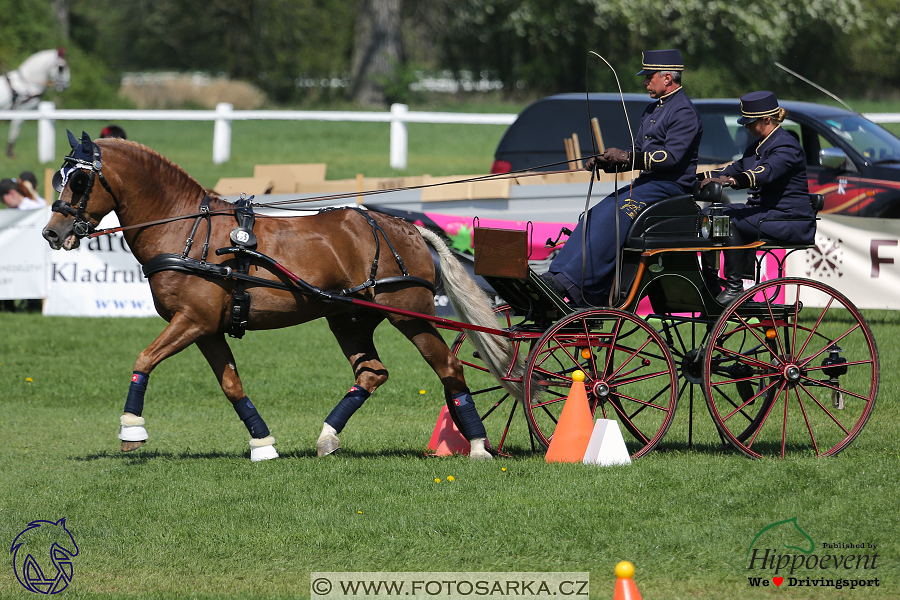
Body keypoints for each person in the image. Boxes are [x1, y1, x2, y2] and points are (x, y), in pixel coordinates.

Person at [542, 49, 702, 306]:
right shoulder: (652, 110)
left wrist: (626, 158)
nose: (645, 82)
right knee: (594, 214)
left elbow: (670, 157)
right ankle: (555, 275)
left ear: (668, 78)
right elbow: (638, 153)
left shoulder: (684, 112)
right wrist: (608, 162)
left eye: (649, 76)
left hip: (671, 189)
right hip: (647, 186)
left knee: (614, 217)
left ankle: (571, 283)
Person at [698, 91, 815, 304]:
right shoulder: (757, 146)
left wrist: (732, 182)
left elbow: (766, 172)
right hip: (765, 214)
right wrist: (696, 178)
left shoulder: (786, 146)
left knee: (724, 220)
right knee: (708, 214)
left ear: (767, 120)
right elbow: (733, 168)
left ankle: (735, 287)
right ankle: (712, 282)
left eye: (751, 122)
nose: (746, 127)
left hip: (786, 218)